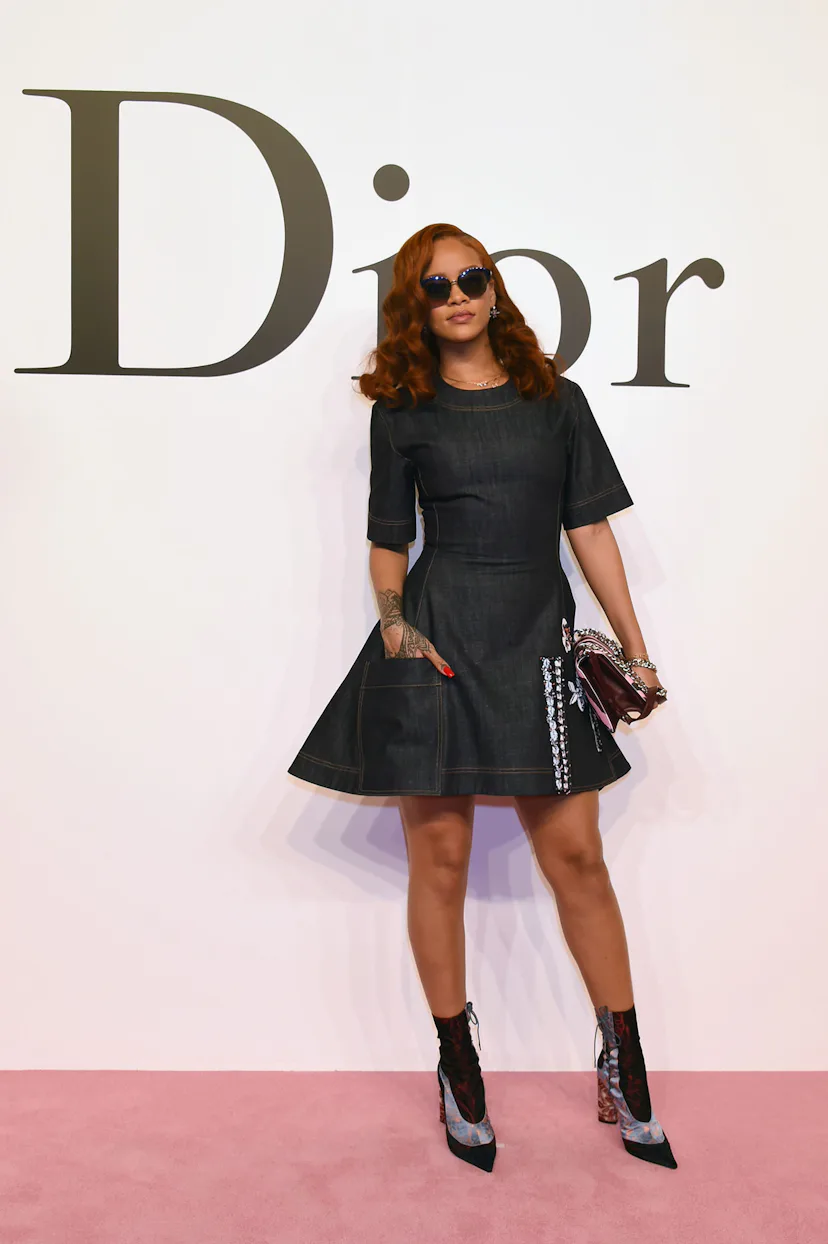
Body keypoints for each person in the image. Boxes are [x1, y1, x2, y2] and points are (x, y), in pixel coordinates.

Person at [287, 222, 676, 1173]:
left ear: (495, 290)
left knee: (577, 856)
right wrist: (393, 622)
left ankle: (623, 1063)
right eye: (436, 286)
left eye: (472, 278)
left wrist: (635, 649)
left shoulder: (557, 402)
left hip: (537, 639)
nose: (457, 295)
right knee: (442, 858)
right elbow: (389, 537)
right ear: (415, 306)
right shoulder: (403, 411)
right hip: (437, 643)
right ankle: (458, 1068)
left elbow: (590, 529)